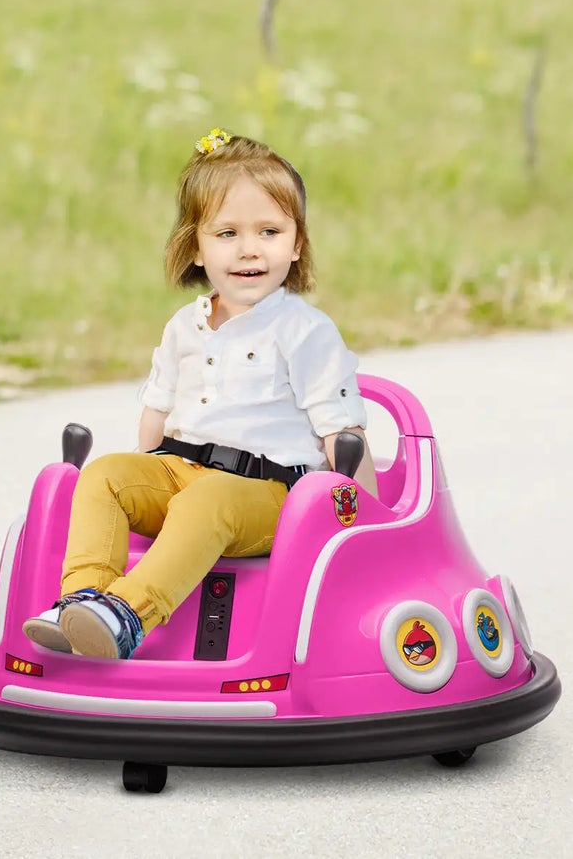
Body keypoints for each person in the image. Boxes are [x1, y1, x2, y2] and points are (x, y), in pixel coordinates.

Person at [24, 129, 376, 660]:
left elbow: (341, 430)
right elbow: (158, 412)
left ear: (297, 242)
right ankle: (83, 602)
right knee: (104, 474)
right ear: (195, 246)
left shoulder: (305, 331)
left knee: (209, 498)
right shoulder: (183, 327)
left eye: (270, 231)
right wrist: (143, 478)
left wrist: (363, 522)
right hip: (182, 474)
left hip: (268, 493)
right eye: (228, 233)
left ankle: (128, 614)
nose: (250, 249)